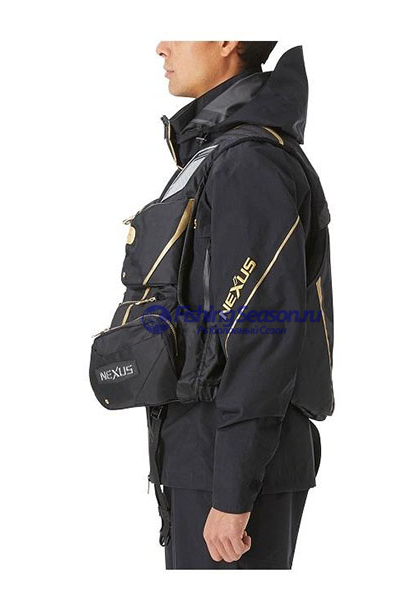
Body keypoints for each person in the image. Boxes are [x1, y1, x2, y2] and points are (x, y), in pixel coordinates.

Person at [153, 41, 334, 569]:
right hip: (206, 454)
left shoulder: (249, 162)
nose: (162, 47)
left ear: (228, 40)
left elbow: (263, 332)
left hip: (231, 470)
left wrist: (232, 493)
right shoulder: (220, 155)